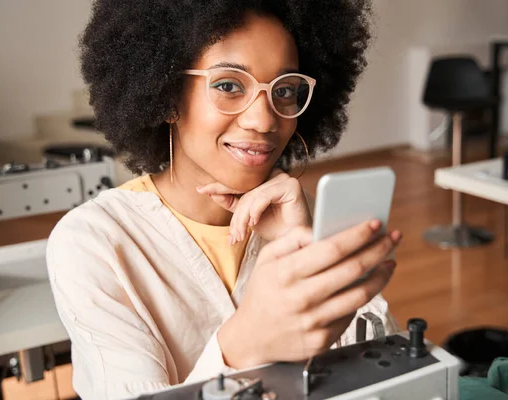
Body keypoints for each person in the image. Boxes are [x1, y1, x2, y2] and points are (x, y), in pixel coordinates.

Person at [46, 0, 403, 399]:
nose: (264, 120)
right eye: (229, 86)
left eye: (284, 90)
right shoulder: (94, 243)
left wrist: (302, 252)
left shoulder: (292, 219)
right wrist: (241, 345)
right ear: (167, 96)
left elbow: (384, 377)